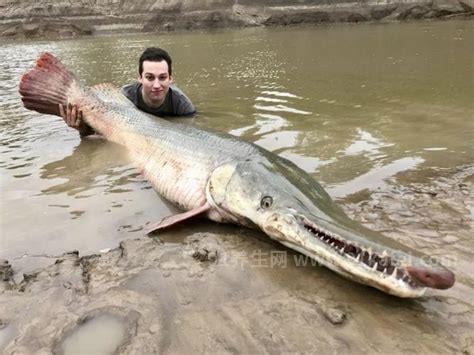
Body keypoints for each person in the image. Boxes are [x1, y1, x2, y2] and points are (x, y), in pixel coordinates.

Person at [59, 47, 195, 137]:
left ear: (171, 79)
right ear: (140, 78)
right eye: (150, 77)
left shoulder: (183, 106)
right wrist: (81, 129)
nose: (156, 85)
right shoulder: (124, 97)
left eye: (163, 77)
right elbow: (102, 133)